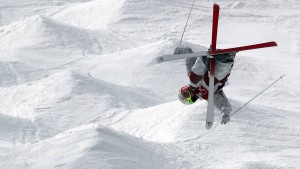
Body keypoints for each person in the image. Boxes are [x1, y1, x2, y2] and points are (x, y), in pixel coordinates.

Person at [174, 46, 236, 124]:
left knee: (193, 79)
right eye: (187, 95)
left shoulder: (192, 79)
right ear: (192, 100)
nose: (188, 91)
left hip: (205, 60)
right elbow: (223, 103)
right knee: (208, 85)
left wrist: (182, 51)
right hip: (222, 65)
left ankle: (208, 58)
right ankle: (224, 57)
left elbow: (190, 56)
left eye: (184, 91)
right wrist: (225, 114)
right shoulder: (208, 95)